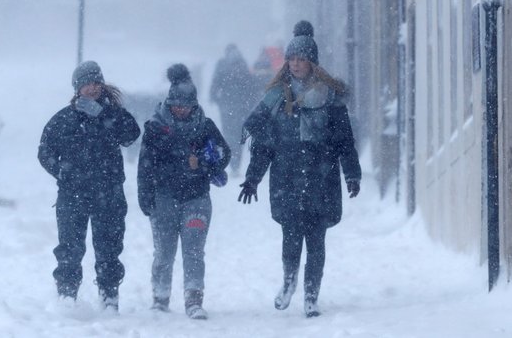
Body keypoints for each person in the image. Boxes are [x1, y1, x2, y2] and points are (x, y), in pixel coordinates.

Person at [237, 21, 361, 318]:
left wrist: (352, 173)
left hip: (322, 176)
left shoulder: (331, 98)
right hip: (287, 177)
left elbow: (344, 140)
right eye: (291, 59)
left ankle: (311, 295)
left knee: (316, 240)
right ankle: (289, 281)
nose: (295, 64)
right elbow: (264, 145)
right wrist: (252, 179)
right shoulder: (276, 98)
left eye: (301, 59)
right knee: (291, 237)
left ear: (312, 62)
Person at [38, 61, 141, 311]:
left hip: (109, 193)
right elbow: (44, 151)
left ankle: (109, 296)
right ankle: (67, 295)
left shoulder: (113, 114)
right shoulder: (63, 119)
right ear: (77, 88)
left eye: (96, 82)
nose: (92, 88)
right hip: (72, 195)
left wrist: (104, 114)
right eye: (86, 84)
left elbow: (131, 134)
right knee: (70, 249)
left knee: (109, 247)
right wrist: (60, 171)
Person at [138, 64, 231, 320]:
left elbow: (224, 154)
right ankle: (160, 297)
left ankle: (193, 298)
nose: (181, 109)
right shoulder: (156, 128)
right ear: (168, 102)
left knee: (193, 251)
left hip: (196, 198)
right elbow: (145, 164)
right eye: (176, 104)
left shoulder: (205, 127)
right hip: (163, 198)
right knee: (164, 251)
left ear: (194, 105)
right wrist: (144, 195)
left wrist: (201, 162)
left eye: (186, 104)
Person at [209, 44, 256, 174]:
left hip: (226, 105)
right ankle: (236, 165)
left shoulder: (222, 63)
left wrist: (214, 98)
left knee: (228, 134)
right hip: (241, 107)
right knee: (238, 134)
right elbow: (250, 86)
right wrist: (249, 103)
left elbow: (215, 82)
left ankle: (231, 163)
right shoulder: (243, 64)